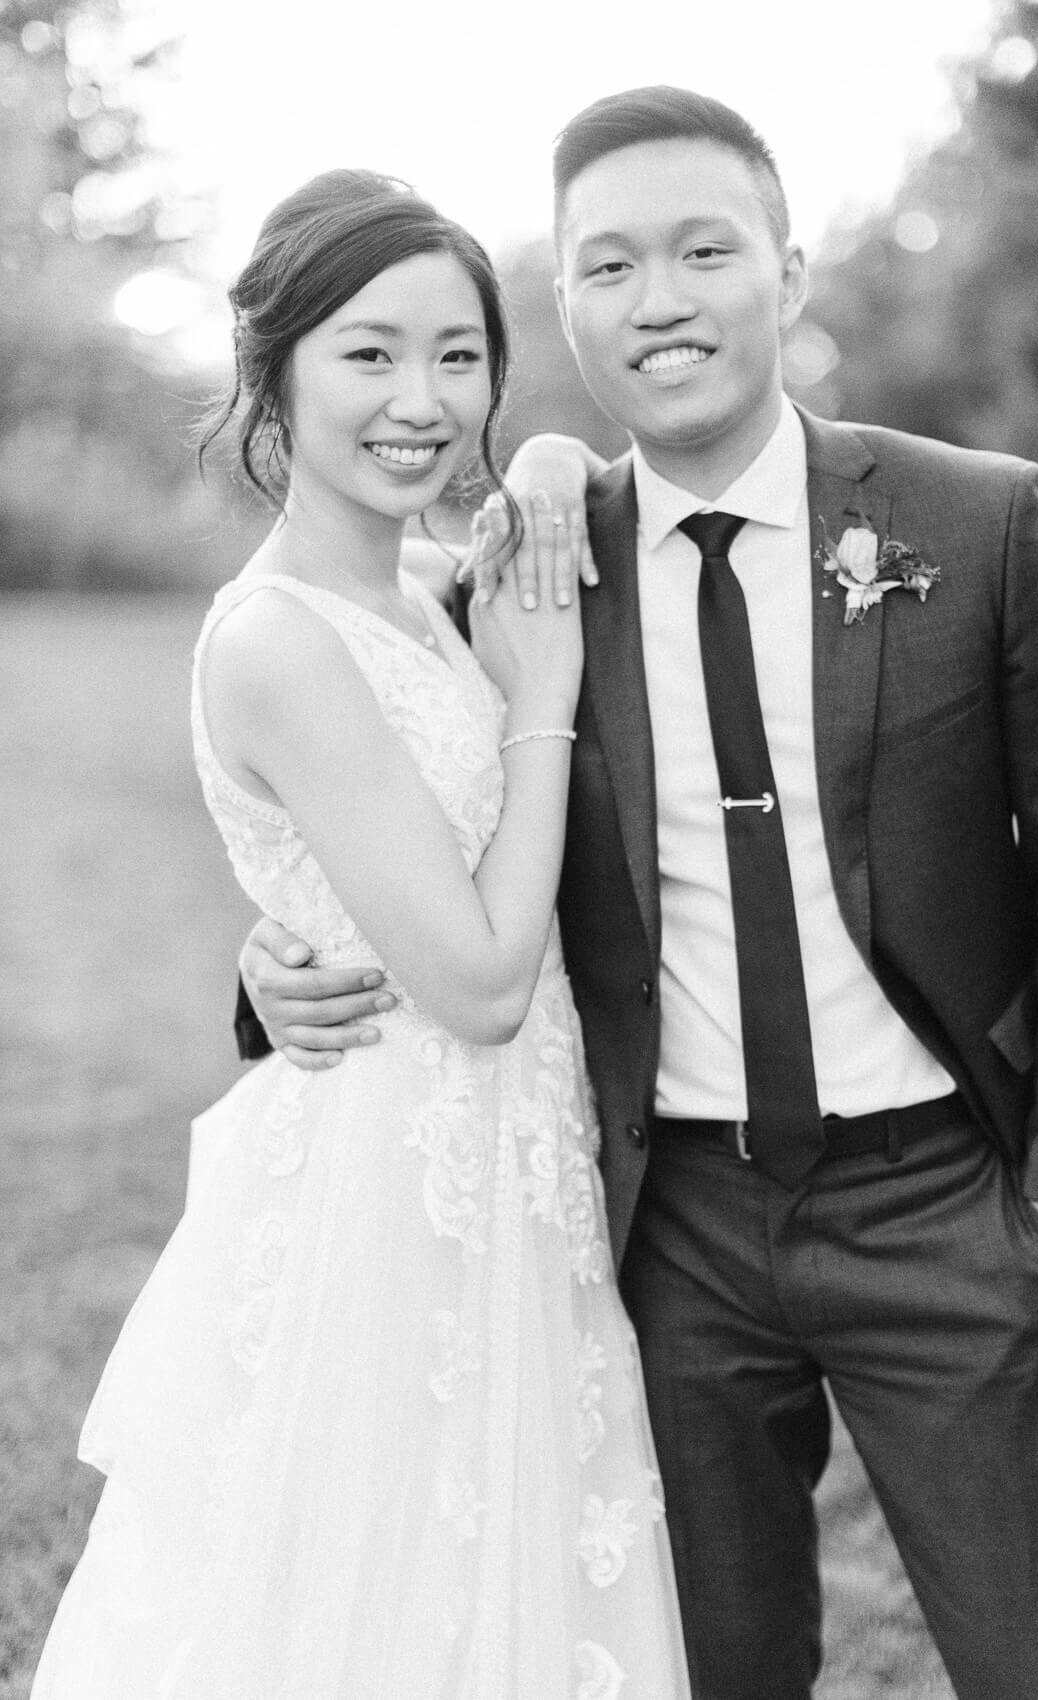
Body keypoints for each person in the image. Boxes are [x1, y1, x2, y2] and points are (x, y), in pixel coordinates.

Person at [239, 91, 1038, 1700]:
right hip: (660, 1231)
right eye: (607, 267)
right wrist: (265, 973)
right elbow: (416, 827)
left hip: (944, 1205)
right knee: (707, 1671)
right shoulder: (522, 569)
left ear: (789, 277)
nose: (657, 299)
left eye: (701, 251)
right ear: (573, 312)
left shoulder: (976, 521)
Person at [31, 168, 691, 1700]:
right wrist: (539, 705)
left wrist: (527, 450)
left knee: (501, 1583)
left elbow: (546, 480)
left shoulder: (415, 582)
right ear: (275, 375)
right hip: (393, 1183)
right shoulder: (277, 640)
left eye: (458, 355)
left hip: (511, 1173)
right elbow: (469, 978)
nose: (421, 399)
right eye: (369, 353)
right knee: (374, 1592)